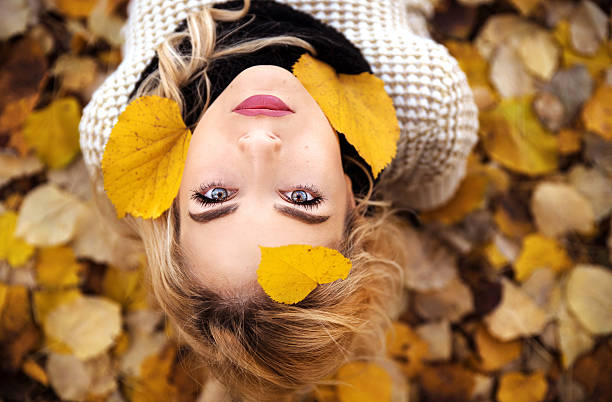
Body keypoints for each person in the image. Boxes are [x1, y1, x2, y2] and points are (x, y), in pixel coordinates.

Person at [79, 0, 478, 400]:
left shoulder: (117, 136)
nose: (259, 146)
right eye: (302, 198)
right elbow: (431, 189)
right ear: (352, 201)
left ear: (170, 194)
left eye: (216, 195)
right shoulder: (423, 104)